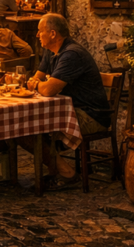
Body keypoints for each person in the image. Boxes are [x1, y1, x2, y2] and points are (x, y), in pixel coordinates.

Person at [19, 13, 111, 186]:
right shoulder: (50, 51)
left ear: (53, 34)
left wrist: (37, 84)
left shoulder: (71, 54)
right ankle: (59, 169)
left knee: (25, 127)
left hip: (91, 115)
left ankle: (65, 172)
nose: (37, 35)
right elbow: (37, 78)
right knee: (24, 125)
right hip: (70, 110)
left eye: (40, 31)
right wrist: (38, 83)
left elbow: (47, 89)